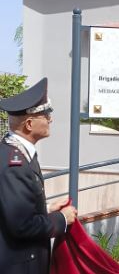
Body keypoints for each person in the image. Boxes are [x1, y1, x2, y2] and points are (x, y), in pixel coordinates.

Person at [0, 78, 77, 274]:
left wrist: (47, 207)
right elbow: (22, 225)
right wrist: (61, 219)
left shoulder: (16, 154)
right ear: (29, 124)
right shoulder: (14, 163)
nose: (50, 119)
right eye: (45, 114)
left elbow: (11, 208)